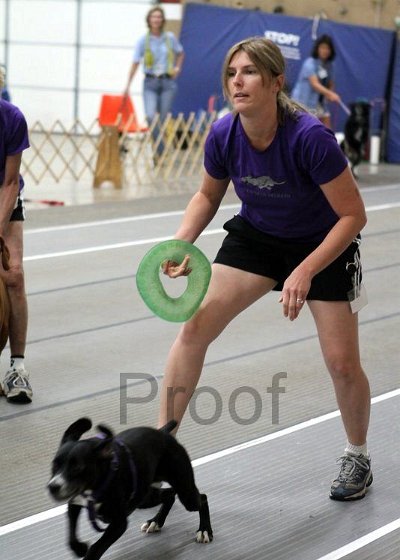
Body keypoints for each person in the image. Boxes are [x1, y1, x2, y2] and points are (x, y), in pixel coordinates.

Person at [158, 37, 371, 502]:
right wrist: (181, 243)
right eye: (232, 72)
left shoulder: (310, 138)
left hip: (323, 243)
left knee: (341, 363)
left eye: (250, 71)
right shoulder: (222, 134)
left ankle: (357, 455)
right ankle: (162, 450)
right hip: (257, 238)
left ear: (276, 82)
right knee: (194, 327)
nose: (238, 80)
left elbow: (353, 216)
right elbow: (208, 196)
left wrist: (305, 270)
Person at [0, 68, 32, 403]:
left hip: (3, 196)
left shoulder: (12, 119)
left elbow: (10, 183)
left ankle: (17, 367)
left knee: (13, 275)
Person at [123, 6, 184, 157]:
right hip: (150, 83)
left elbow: (181, 53)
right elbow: (135, 62)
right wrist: (127, 85)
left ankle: (159, 151)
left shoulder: (169, 37)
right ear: (149, 20)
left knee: (162, 120)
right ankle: (161, 151)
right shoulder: (143, 41)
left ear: (162, 20)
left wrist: (177, 68)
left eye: (159, 17)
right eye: (153, 16)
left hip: (167, 83)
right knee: (150, 116)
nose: (156, 19)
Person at [291, 34, 340, 129]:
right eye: (322, 47)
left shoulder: (330, 66)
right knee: (305, 129)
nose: (325, 51)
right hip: (303, 103)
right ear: (317, 48)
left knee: (327, 129)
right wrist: (330, 94)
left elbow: (330, 83)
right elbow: (315, 84)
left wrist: (330, 94)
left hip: (320, 103)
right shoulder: (309, 63)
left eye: (327, 48)